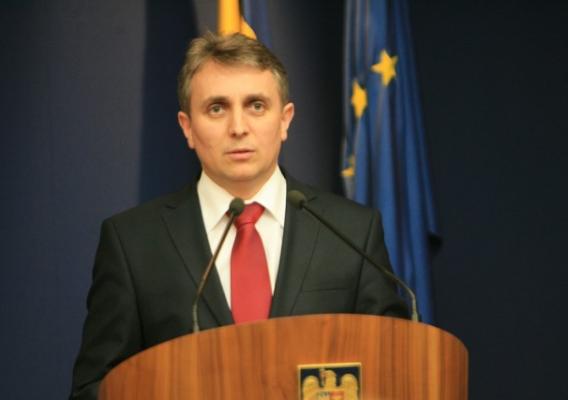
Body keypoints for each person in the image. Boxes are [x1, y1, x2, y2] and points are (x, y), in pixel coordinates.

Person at [70, 32, 407, 400]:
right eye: (217, 108)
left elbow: (394, 366)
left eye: (256, 105)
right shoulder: (132, 243)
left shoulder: (352, 232)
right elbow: (93, 389)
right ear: (187, 127)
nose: (238, 127)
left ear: (285, 120)